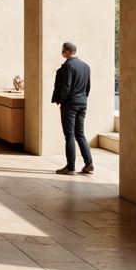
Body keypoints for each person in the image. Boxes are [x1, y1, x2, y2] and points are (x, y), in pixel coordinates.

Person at [51, 41, 94, 174]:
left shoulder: (67, 66)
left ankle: (70, 167)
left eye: (63, 50)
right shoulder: (86, 66)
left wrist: (61, 101)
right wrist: (83, 99)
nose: (62, 53)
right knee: (80, 134)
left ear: (68, 51)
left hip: (70, 103)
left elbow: (66, 86)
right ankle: (89, 164)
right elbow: (88, 87)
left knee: (69, 135)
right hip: (82, 102)